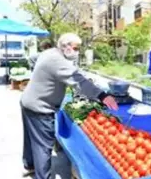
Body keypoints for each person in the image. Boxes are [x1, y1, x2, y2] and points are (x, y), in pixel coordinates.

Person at [20, 33, 118, 179]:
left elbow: (37, 60)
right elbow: (79, 81)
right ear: (65, 47)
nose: (78, 51)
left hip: (28, 101)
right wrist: (102, 96)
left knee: (30, 138)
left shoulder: (49, 52)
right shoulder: (57, 60)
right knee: (43, 146)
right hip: (41, 107)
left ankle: (29, 165)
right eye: (76, 48)